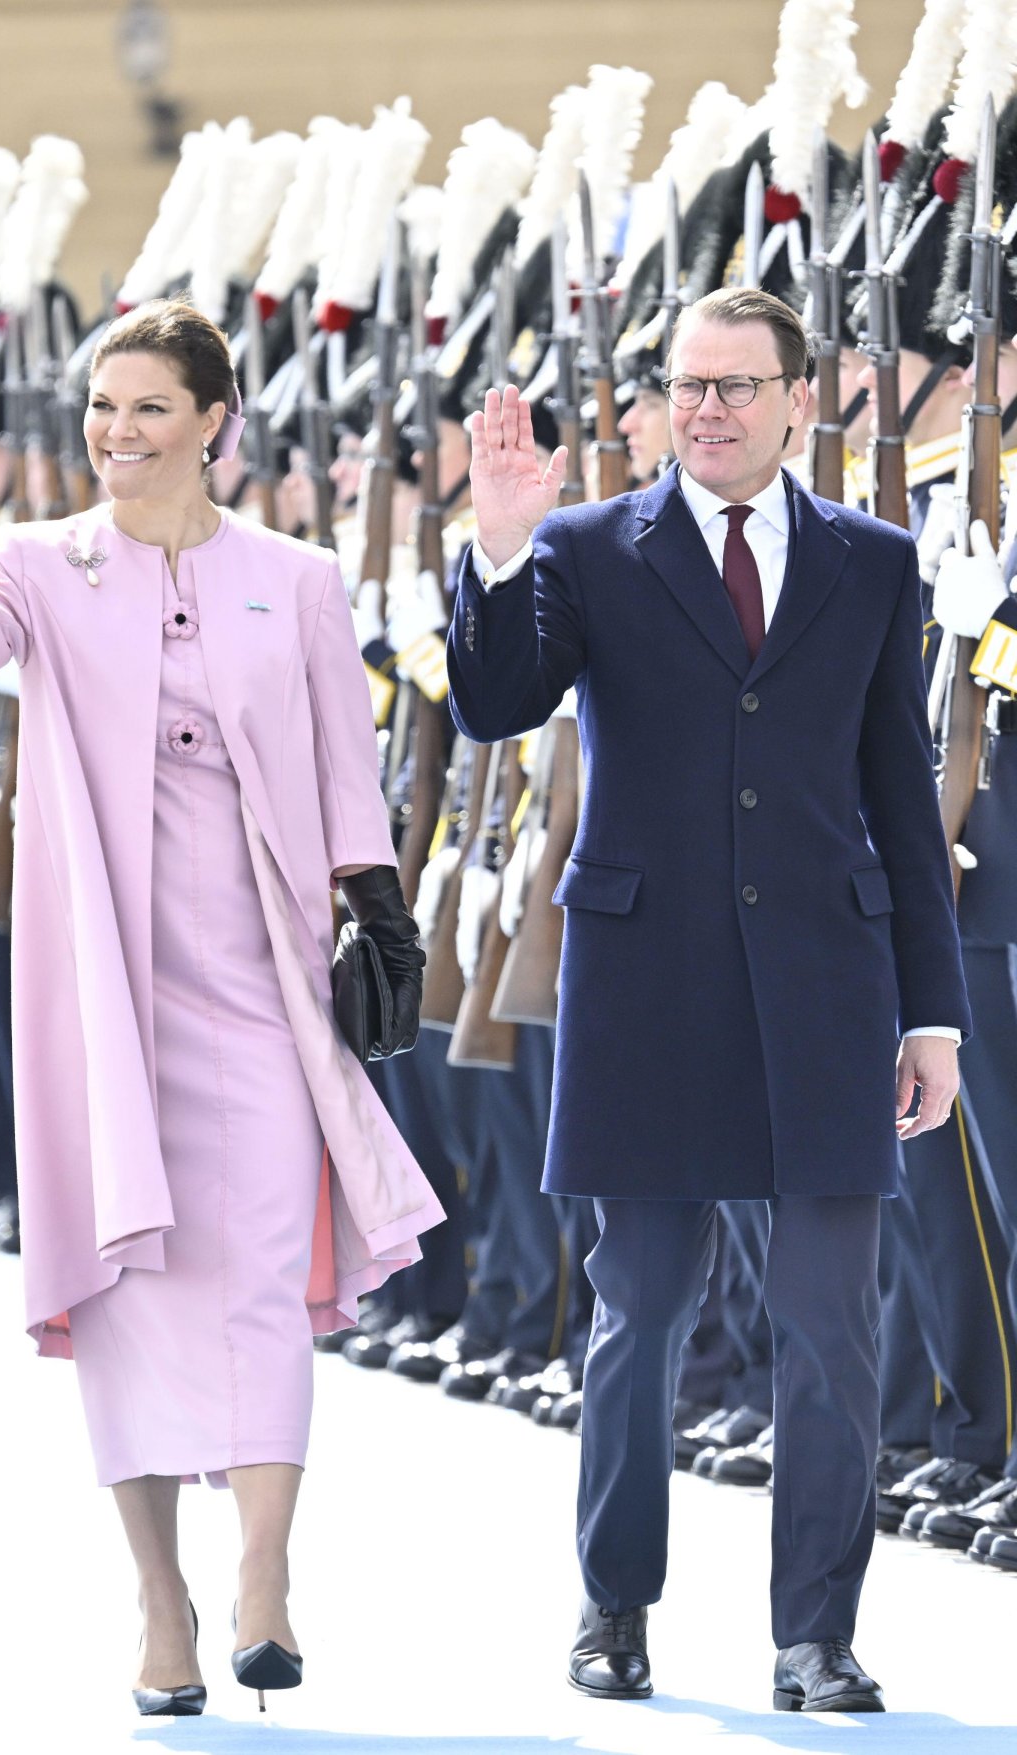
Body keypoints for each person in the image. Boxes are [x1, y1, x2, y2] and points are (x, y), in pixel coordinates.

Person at [0, 298, 444, 1718]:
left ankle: (263, 1578)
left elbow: (344, 762)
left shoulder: (299, 576)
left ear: (213, 424)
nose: (117, 435)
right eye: (100, 411)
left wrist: (378, 910)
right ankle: (161, 1603)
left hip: (262, 978)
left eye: (146, 410)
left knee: (256, 1275)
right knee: (121, 1283)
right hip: (100, 986)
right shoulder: (40, 567)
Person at [447, 285, 970, 1712]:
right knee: (642, 1312)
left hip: (826, 989)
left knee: (829, 1328)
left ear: (804, 399)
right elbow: (496, 703)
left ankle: (817, 1633)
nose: (710, 410)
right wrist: (494, 552)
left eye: (740, 385)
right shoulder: (586, 548)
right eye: (688, 385)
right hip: (649, 987)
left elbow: (898, 798)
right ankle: (614, 1604)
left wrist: (932, 1012)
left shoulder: (873, 560)